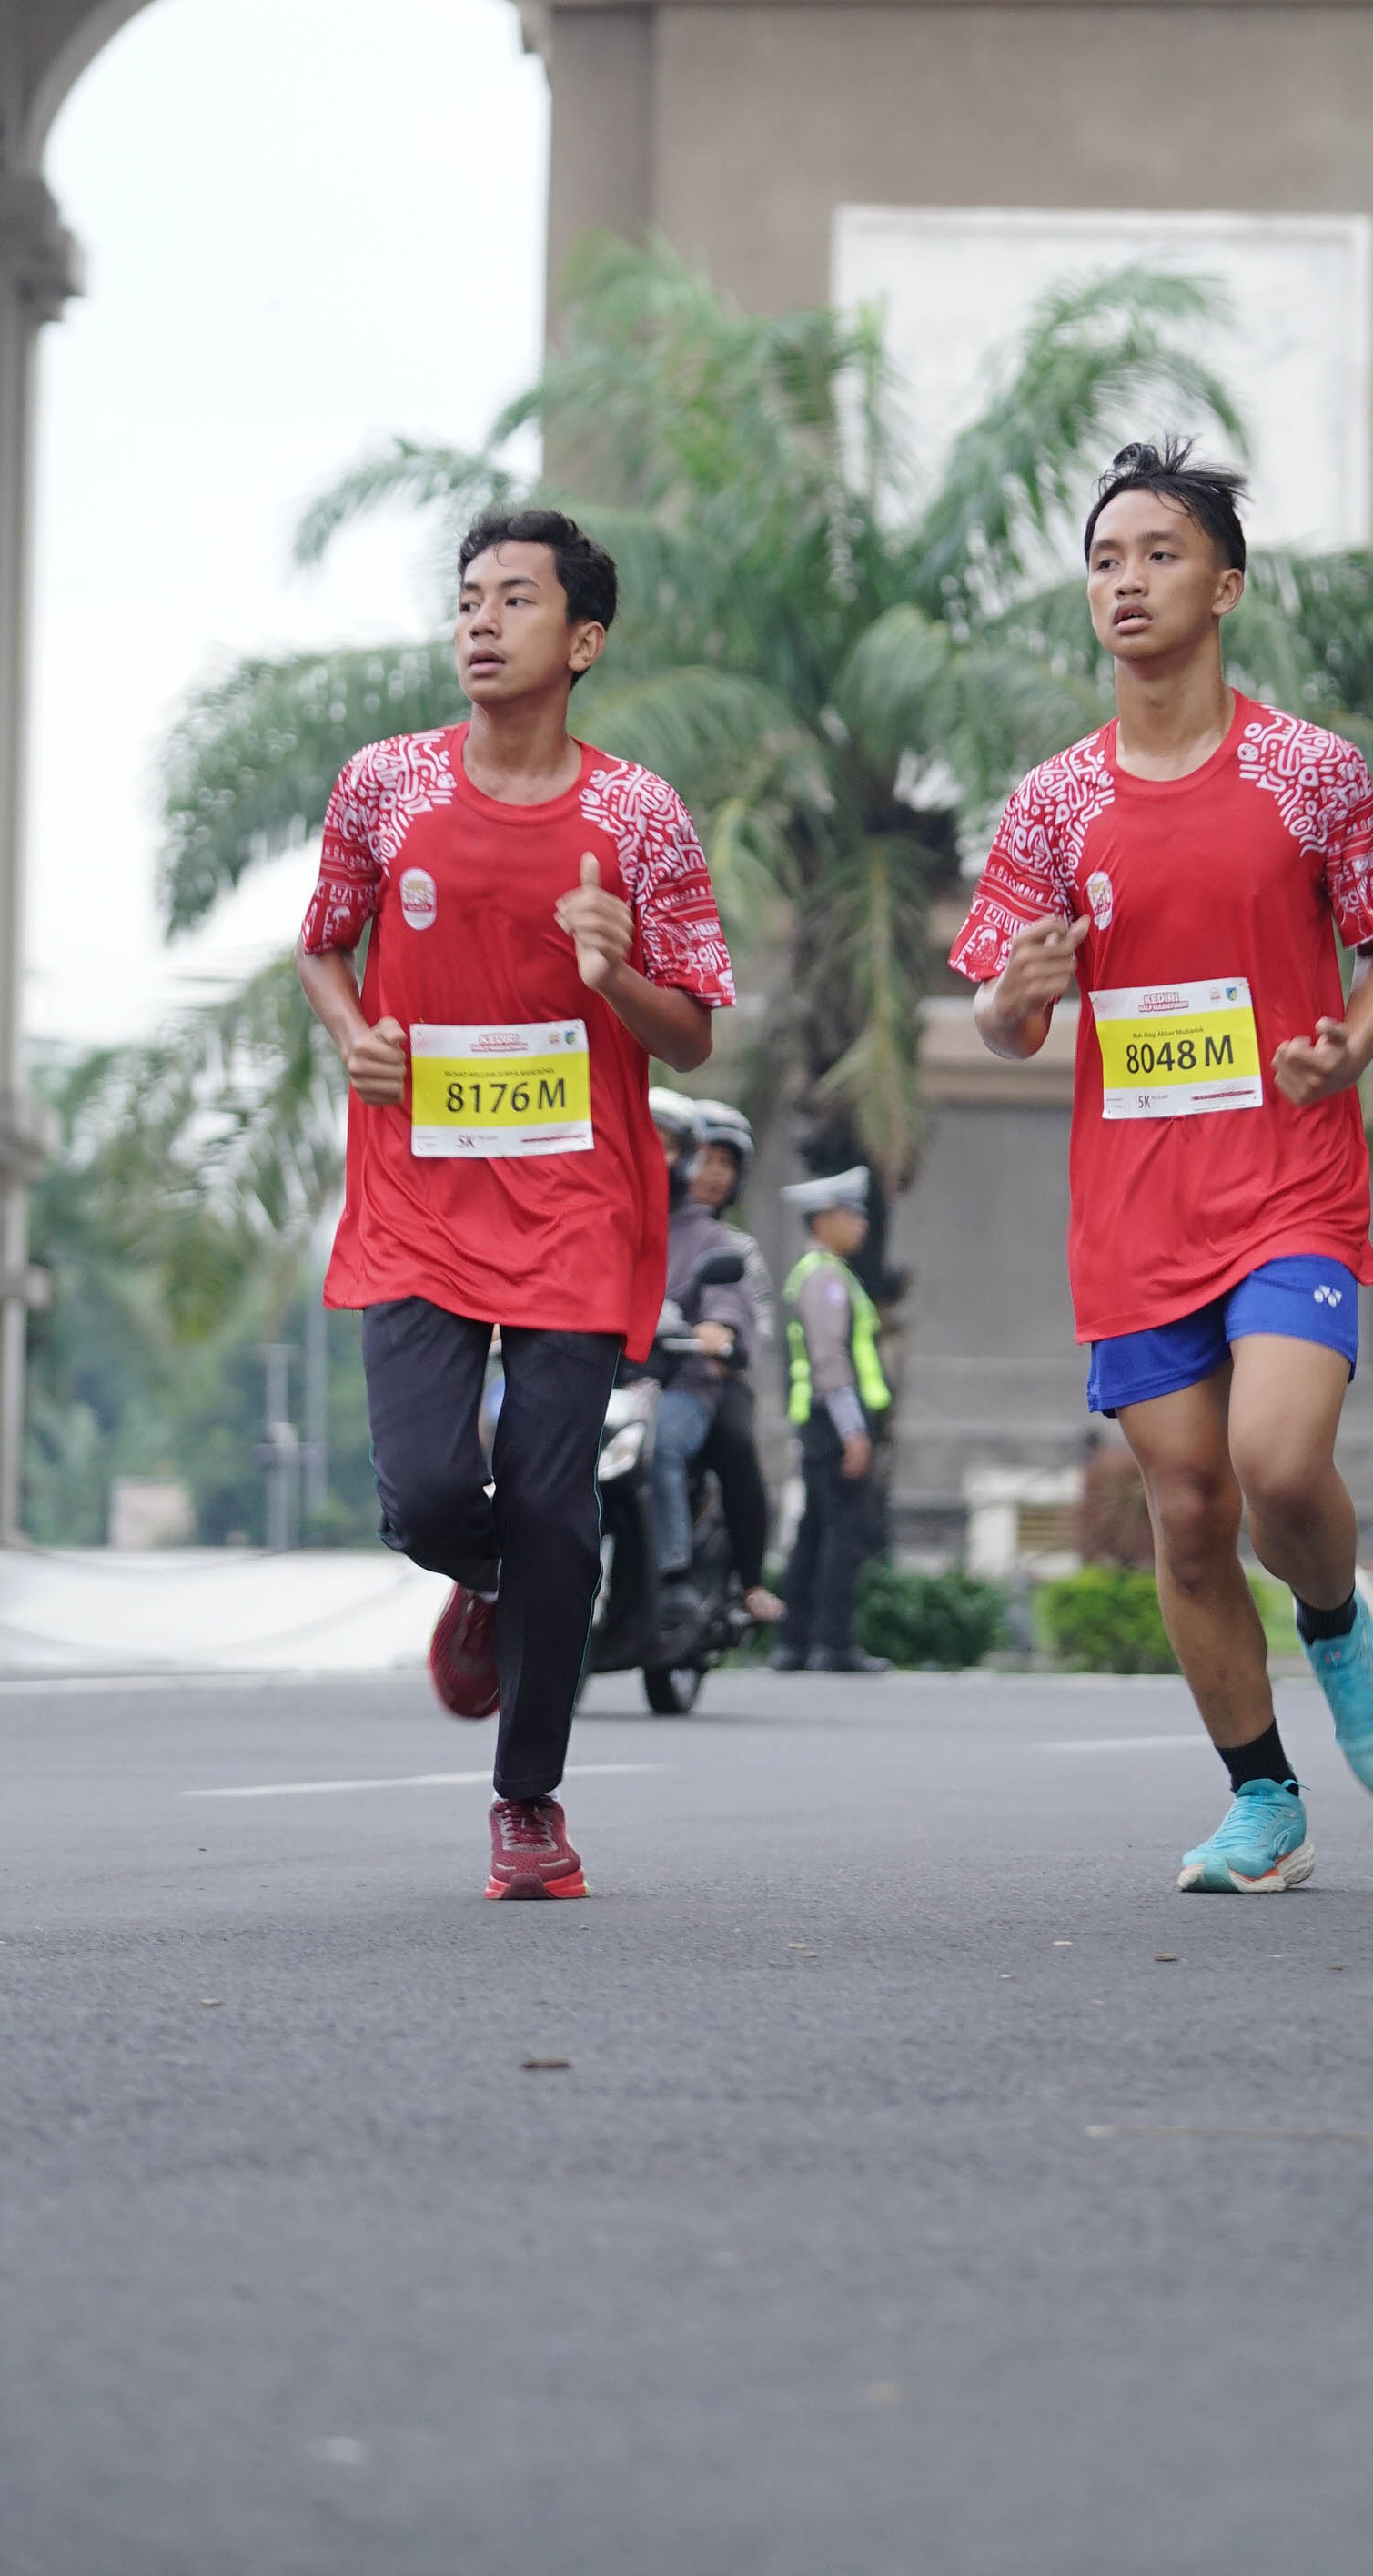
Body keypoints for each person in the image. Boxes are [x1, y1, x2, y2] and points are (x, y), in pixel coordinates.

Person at [952, 437, 1373, 1894]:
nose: (1129, 581)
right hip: (1136, 1209)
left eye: (1160, 554)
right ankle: (1263, 1801)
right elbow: (1004, 1021)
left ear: (1225, 586)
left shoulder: (1311, 773)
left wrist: (1350, 1048)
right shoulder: (1052, 803)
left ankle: (1337, 1624)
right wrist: (1018, 993)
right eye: (1106, 559)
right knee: (1190, 1510)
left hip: (1289, 1179)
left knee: (1277, 1465)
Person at [297, 504, 733, 1900]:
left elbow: (692, 1036)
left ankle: (528, 1801)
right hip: (416, 1199)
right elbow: (322, 944)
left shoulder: (641, 815)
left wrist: (615, 975)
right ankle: (505, 1582)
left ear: (584, 640)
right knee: (433, 1498)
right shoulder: (384, 785)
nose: (482, 621)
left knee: (555, 1505)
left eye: (516, 599)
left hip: (577, 1207)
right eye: (468, 599)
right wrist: (354, 1035)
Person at [650, 1097, 783, 1628]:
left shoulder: (729, 1245)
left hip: (708, 1374)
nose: (712, 1174)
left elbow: (750, 1317)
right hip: (633, 1376)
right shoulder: (627, 1223)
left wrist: (721, 1335)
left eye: (725, 1164)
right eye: (704, 1159)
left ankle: (747, 1580)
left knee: (734, 1445)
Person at [775, 1166, 893, 1673]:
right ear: (824, 1220)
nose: (861, 1224)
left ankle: (795, 1643)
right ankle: (833, 1643)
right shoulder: (826, 1279)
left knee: (814, 1531)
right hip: (834, 1424)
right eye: (851, 1214)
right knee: (842, 1533)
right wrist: (854, 1432)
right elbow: (830, 1361)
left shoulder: (818, 1273)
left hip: (819, 1423)